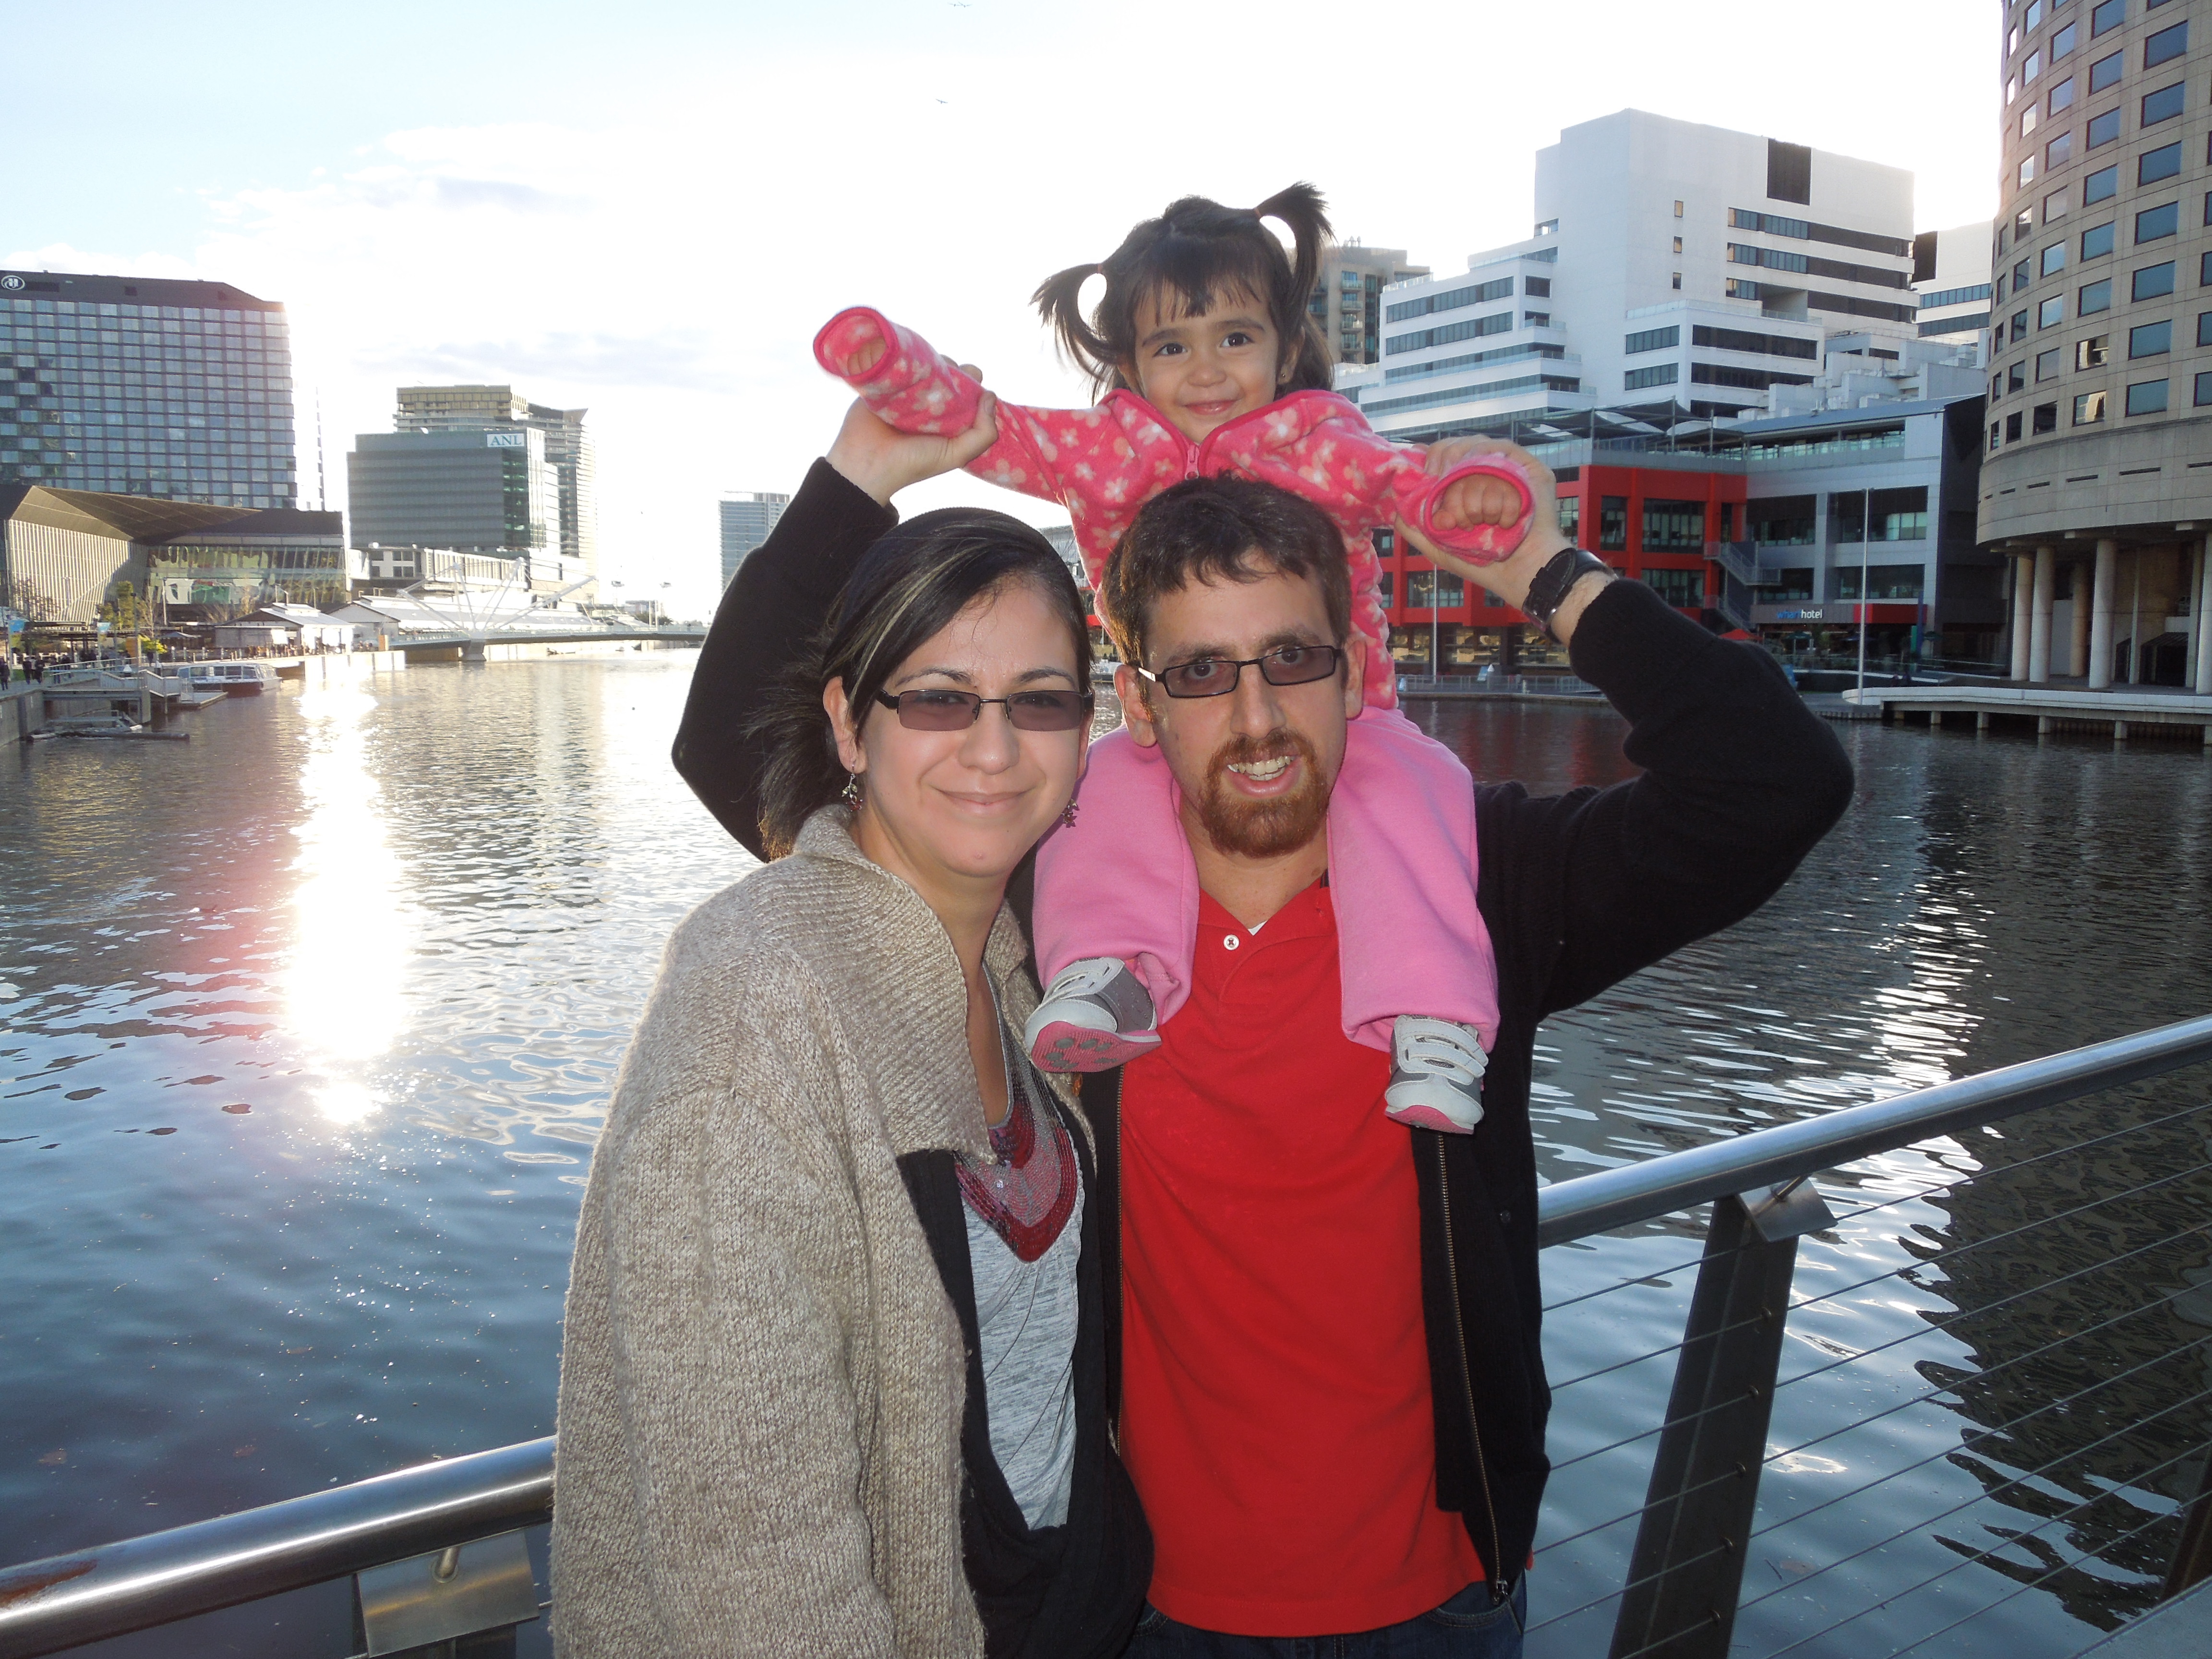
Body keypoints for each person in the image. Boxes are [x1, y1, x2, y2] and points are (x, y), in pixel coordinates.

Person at [676, 394, 1852, 1656]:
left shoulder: (1476, 889)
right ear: (1141, 705)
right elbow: (745, 756)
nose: (1254, 717)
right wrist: (859, 473)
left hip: (1439, 1600)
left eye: (1292, 659)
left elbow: (1775, 782)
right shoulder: (1054, 915)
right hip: (1146, 1609)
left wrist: (1541, 571)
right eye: (1200, 672)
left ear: (1353, 672)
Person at [553, 503, 1151, 1657]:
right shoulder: (753, 1014)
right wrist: (864, 466)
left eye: (1039, 700)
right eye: (938, 699)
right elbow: (754, 1574)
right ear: (848, 723)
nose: (994, 748)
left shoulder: (1027, 973)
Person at [815, 186, 1533, 1137]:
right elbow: (995, 429)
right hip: (1169, 715)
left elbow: (1411, 485)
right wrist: (898, 374)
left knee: (1414, 789)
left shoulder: (1321, 444)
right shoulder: (1108, 454)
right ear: (1127, 364)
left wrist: (1481, 494)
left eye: (1235, 338)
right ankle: (1107, 973)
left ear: (1285, 345)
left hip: (1348, 712)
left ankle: (1434, 1020)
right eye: (1170, 347)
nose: (1206, 370)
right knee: (1107, 783)